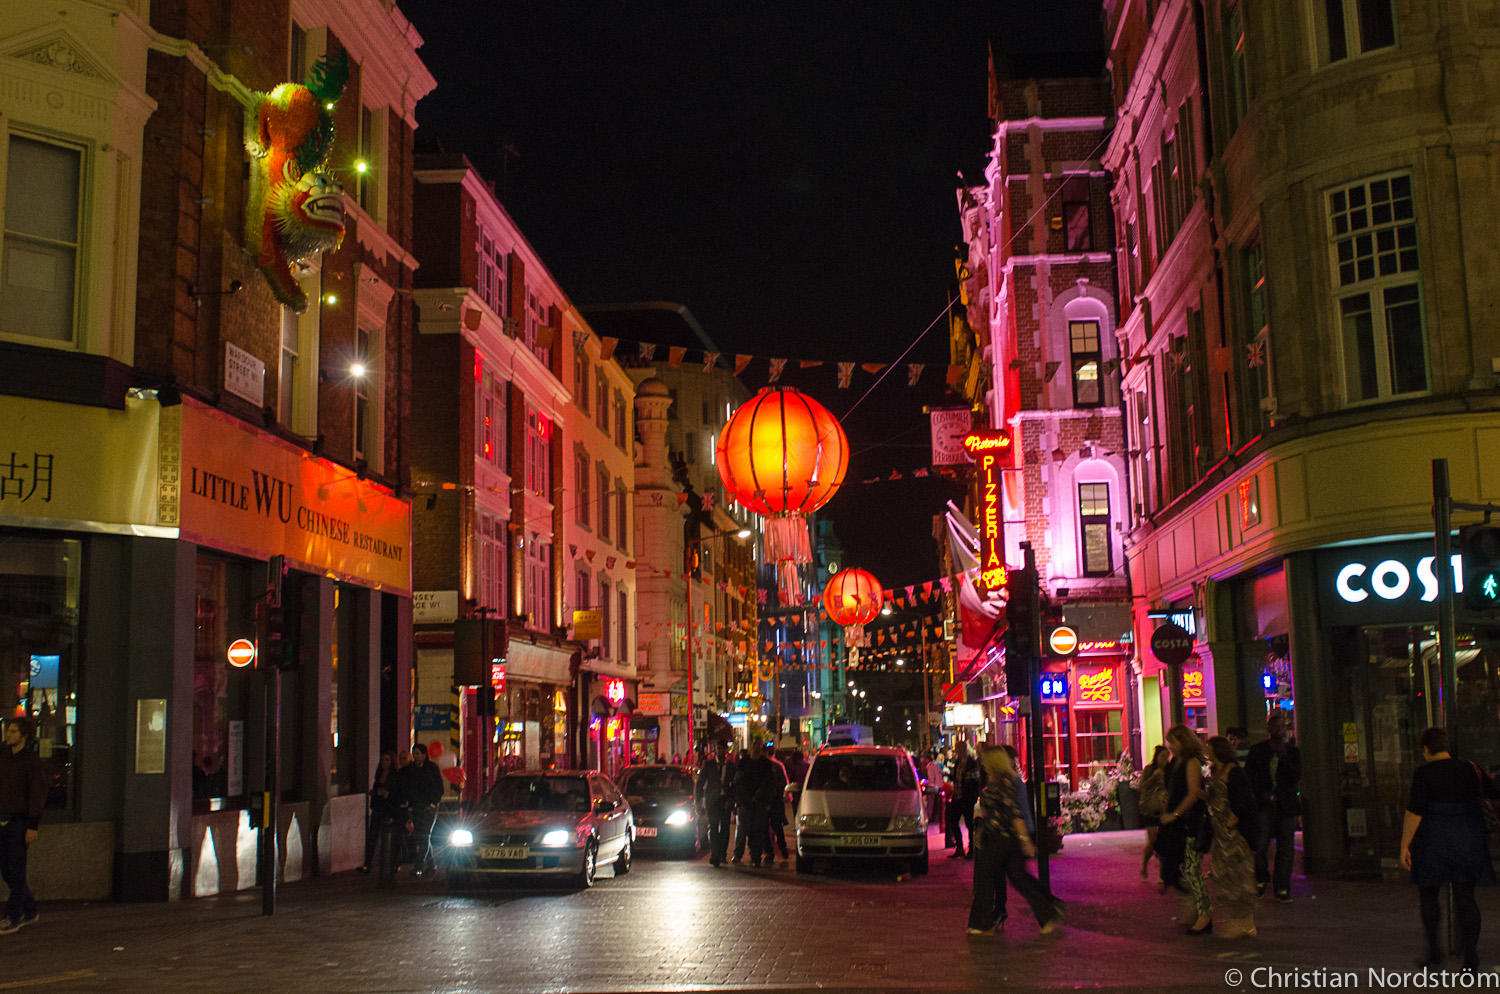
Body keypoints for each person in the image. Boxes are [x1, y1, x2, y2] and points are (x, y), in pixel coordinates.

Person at [1400, 726, 1498, 971]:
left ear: (1426, 749)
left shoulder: (1424, 774)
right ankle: (1471, 958)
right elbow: (1492, 792)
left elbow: (1414, 813)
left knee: (1429, 896)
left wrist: (1405, 846)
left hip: (1433, 840)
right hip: (1467, 838)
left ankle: (1434, 952)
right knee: (1466, 898)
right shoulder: (1471, 768)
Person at [966, 746, 1062, 936]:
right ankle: (1048, 914)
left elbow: (1015, 813)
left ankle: (981, 923)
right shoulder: (1002, 782)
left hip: (998, 839)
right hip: (1005, 839)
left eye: (985, 761)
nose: (983, 764)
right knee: (1019, 878)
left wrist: (1025, 840)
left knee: (985, 879)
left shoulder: (1003, 785)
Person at [1157, 724, 1211, 934]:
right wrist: (1165, 799)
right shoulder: (1175, 762)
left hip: (1189, 822)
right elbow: (1174, 789)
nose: (1170, 746)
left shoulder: (1192, 762)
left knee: (1191, 869)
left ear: (1183, 741)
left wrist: (1175, 814)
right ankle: (1193, 905)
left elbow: (1193, 793)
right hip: (1175, 822)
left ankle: (1203, 913)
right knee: (1174, 864)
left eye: (1173, 741)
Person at [1244, 711, 1301, 902]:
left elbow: (1295, 776)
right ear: (1269, 728)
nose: (1280, 730)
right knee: (1261, 845)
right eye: (1276, 726)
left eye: (1283, 726)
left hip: (1285, 805)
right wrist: (1262, 794)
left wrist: (1284, 758)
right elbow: (1249, 777)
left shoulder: (1292, 752)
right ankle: (1261, 878)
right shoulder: (1258, 751)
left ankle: (1282, 887)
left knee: (1286, 847)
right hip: (1264, 804)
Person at [1206, 736, 1259, 939]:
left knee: (1237, 874)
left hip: (1232, 833)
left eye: (1209, 748)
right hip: (1220, 833)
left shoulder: (1233, 771)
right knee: (1223, 875)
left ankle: (1243, 922)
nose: (1207, 751)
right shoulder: (1216, 771)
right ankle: (1241, 922)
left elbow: (1243, 800)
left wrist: (1231, 822)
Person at [0, 718, 45, 934]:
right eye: (8, 730)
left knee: (16, 870)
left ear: (24, 735)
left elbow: (37, 793)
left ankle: (12, 916)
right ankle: (30, 909)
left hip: (19, 822)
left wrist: (32, 826)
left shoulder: (31, 761)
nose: (8, 734)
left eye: (13, 731)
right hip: (3, 820)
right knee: (7, 871)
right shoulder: (3, 756)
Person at [399, 743, 444, 876]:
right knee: (422, 837)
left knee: (424, 835)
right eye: (414, 753)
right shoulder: (411, 769)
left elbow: (439, 788)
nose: (416, 756)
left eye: (418, 753)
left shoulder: (431, 768)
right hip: (416, 807)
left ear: (424, 755)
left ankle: (418, 866)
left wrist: (433, 803)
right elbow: (408, 787)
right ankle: (431, 865)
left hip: (429, 808)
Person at [732, 741, 776, 867]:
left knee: (758, 829)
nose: (755, 749)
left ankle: (755, 856)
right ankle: (738, 854)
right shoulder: (744, 762)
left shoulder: (766, 763)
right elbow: (738, 781)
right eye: (754, 747)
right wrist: (742, 797)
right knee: (743, 828)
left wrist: (760, 795)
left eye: (758, 747)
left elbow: (769, 782)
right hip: (744, 800)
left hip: (759, 801)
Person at [695, 740, 737, 867]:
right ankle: (715, 855)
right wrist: (698, 801)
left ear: (726, 750)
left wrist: (731, 800)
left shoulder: (731, 766)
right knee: (713, 827)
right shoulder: (708, 764)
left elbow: (735, 786)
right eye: (718, 749)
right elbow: (700, 783)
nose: (719, 751)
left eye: (722, 749)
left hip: (725, 801)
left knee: (724, 828)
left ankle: (722, 854)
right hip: (712, 801)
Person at [358, 750, 400, 874]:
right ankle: (368, 864)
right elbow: (377, 788)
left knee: (390, 837)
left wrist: (386, 793)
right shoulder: (379, 774)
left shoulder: (394, 776)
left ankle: (394, 863)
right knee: (372, 836)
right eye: (383, 760)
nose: (384, 762)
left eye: (387, 760)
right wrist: (375, 793)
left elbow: (395, 793)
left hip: (388, 809)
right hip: (378, 808)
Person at [1138, 745, 1171, 880]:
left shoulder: (1169, 770)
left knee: (1163, 841)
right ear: (1156, 757)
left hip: (1164, 809)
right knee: (1152, 841)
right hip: (1150, 809)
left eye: (1166, 756)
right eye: (1162, 756)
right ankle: (1144, 864)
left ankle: (1161, 874)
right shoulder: (1149, 769)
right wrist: (1154, 777)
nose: (1164, 759)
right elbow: (1142, 786)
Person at [764, 742, 791, 863]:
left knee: (766, 828)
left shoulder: (769, 765)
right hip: (774, 801)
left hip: (769, 801)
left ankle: (770, 852)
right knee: (777, 827)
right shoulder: (778, 765)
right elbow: (785, 782)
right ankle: (782, 849)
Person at [924, 751, 945, 824]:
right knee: (937, 803)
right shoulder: (937, 766)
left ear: (927, 760)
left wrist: (926, 783)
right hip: (940, 786)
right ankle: (937, 817)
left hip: (933, 787)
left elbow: (931, 779)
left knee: (930, 802)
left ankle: (930, 816)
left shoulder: (929, 767)